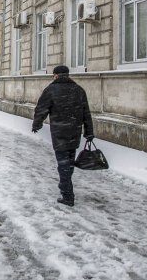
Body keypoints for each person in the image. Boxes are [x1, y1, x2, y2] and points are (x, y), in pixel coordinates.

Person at [31, 65, 94, 207]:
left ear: (56, 75)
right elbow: (86, 113)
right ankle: (65, 185)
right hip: (75, 132)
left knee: (63, 163)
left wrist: (37, 124)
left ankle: (67, 195)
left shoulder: (51, 90)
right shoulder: (78, 90)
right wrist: (89, 132)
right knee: (69, 162)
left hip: (59, 132)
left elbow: (41, 109)